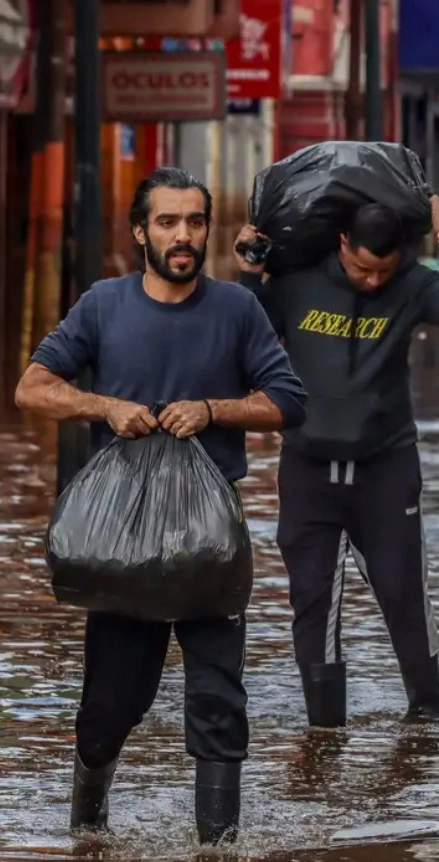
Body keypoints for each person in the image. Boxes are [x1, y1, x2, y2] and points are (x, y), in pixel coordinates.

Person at [14, 168, 307, 842]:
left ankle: (218, 847)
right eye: (169, 222)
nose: (184, 236)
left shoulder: (237, 309)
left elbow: (288, 401)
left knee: (218, 700)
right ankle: (88, 829)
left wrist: (212, 410)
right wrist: (104, 405)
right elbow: (33, 389)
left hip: (209, 540)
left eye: (196, 222)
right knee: (112, 703)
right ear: (141, 231)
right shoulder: (103, 305)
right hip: (121, 543)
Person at [234, 194, 439, 729]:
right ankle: (324, 729)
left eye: (384, 269)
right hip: (308, 466)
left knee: (403, 590)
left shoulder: (413, 285)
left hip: (386, 466)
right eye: (361, 267)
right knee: (313, 599)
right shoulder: (298, 282)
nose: (373, 280)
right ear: (342, 243)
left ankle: (427, 713)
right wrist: (248, 271)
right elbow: (241, 330)